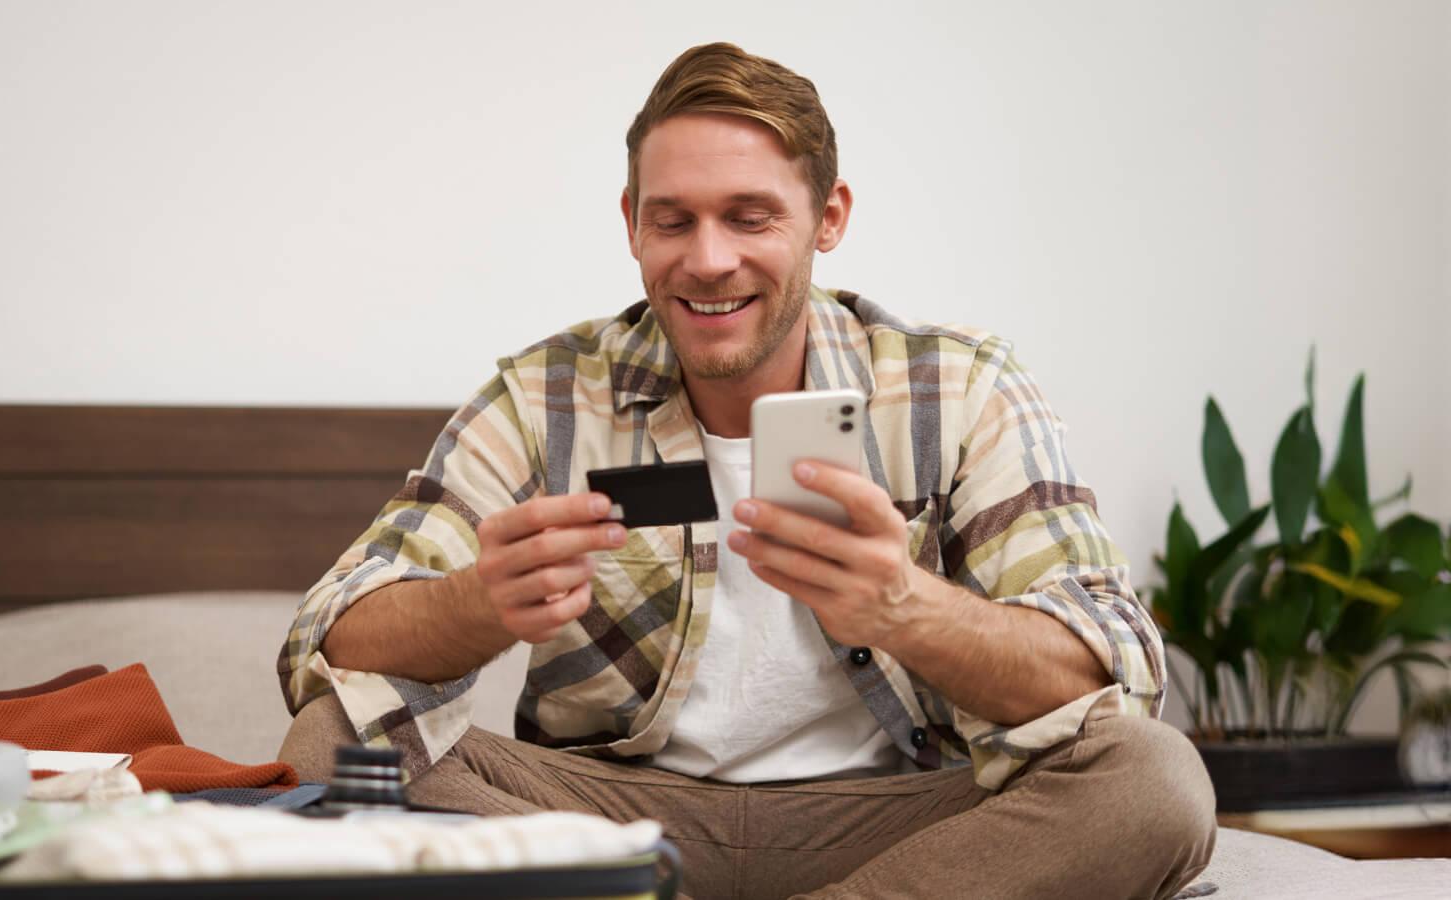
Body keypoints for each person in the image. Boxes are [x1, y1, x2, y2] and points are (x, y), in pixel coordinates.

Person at [278, 42, 1214, 900]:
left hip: (893, 823)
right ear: (632, 225)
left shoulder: (956, 390)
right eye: (672, 220)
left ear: (828, 217)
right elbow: (326, 637)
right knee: (334, 741)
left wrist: (905, 608)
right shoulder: (547, 396)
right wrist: (476, 606)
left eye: (749, 217)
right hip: (610, 820)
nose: (708, 259)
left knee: (1155, 778)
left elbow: (1115, 673)